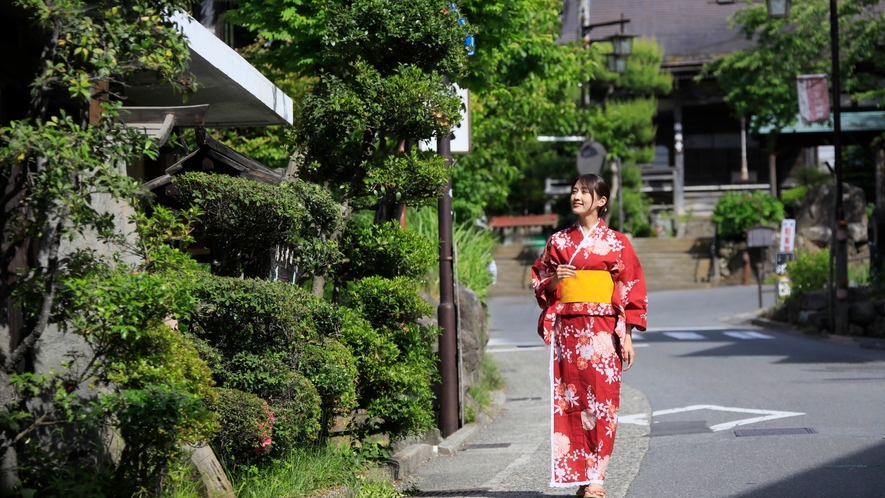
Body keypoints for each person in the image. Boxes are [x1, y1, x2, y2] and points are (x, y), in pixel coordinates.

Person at [530, 174, 648, 498]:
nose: (577, 196)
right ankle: (582, 475)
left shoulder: (618, 243)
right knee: (572, 402)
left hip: (602, 331)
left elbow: (630, 288)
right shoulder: (558, 241)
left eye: (584, 192)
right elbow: (540, 282)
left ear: (601, 201)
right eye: (574, 191)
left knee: (603, 402)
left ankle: (597, 475)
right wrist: (555, 279)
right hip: (568, 331)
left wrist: (627, 336)